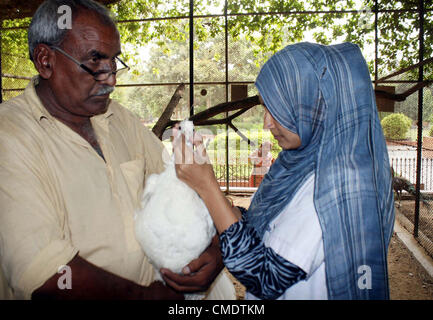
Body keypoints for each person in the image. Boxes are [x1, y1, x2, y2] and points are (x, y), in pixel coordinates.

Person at [0, 0, 225, 300]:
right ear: (45, 61)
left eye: (113, 62)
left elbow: (186, 185)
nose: (111, 79)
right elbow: (42, 271)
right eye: (94, 62)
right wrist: (146, 298)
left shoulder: (120, 119)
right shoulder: (10, 134)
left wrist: (218, 247)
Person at [174, 42, 395, 299]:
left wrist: (207, 186)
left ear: (314, 105)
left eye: (278, 109)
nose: (267, 123)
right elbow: (264, 222)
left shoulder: (338, 187)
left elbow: (266, 276)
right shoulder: (298, 163)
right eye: (264, 107)